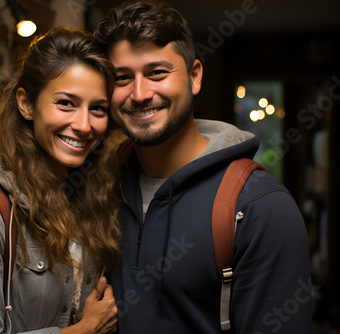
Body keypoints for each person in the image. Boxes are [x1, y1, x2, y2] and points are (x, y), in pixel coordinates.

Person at [95, 1, 312, 333]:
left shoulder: (259, 206)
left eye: (157, 72)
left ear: (194, 77)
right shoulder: (99, 189)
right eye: (122, 78)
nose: (139, 94)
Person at [0, 28, 120, 334]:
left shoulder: (90, 194)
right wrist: (86, 329)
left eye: (97, 109)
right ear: (26, 104)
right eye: (66, 103)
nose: (83, 125)